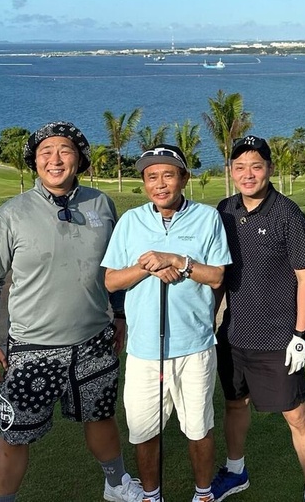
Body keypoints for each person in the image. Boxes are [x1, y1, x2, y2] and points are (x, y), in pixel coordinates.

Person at [0, 121, 143, 502]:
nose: (55, 159)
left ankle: (116, 484)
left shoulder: (101, 204)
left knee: (100, 416)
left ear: (79, 159)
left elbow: (112, 269)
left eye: (64, 150)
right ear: (34, 161)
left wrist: (118, 316)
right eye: (45, 152)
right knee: (15, 432)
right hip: (34, 347)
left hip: (94, 341)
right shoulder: (11, 214)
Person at [103, 145, 231, 502]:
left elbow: (218, 276)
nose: (160, 184)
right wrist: (149, 266)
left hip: (195, 346)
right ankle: (151, 495)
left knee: (198, 428)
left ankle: (203, 494)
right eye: (151, 176)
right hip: (144, 350)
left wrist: (177, 259)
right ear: (144, 183)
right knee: (144, 431)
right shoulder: (131, 222)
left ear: (184, 178)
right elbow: (111, 281)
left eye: (168, 174)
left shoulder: (207, 218)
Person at [211, 135, 305, 502]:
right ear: (231, 172)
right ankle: (235, 471)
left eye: (256, 166)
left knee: (296, 416)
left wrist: (301, 334)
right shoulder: (224, 210)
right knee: (234, 404)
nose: (248, 174)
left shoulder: (288, 215)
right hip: (234, 334)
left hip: (278, 340)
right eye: (240, 167)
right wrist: (209, 322)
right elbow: (218, 275)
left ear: (269, 169)